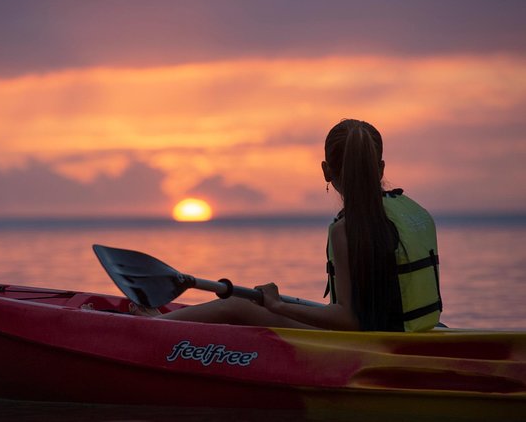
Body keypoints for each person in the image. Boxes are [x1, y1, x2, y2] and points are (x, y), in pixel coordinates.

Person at [137, 119, 442, 332]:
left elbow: (349, 320)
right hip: (412, 330)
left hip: (369, 343)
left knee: (236, 307)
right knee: (253, 304)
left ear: (326, 171)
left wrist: (277, 306)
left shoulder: (345, 230)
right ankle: (158, 321)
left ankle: (147, 328)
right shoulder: (415, 211)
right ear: (381, 169)